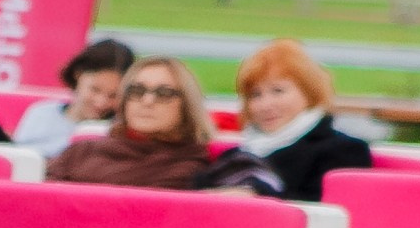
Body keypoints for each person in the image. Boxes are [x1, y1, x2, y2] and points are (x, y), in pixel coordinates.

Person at [46, 57, 279, 195]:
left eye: (164, 93)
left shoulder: (209, 162)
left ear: (186, 104)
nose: (147, 101)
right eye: (137, 91)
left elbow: (263, 186)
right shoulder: (81, 151)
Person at [236, 39, 373, 203]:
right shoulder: (239, 154)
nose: (265, 105)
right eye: (255, 95)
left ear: (308, 92)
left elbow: (327, 215)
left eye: (278, 91)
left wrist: (253, 197)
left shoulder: (343, 152)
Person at [11, 37, 134, 158]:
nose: (101, 102)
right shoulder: (41, 112)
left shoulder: (117, 130)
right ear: (78, 74)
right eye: (94, 89)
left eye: (114, 95)